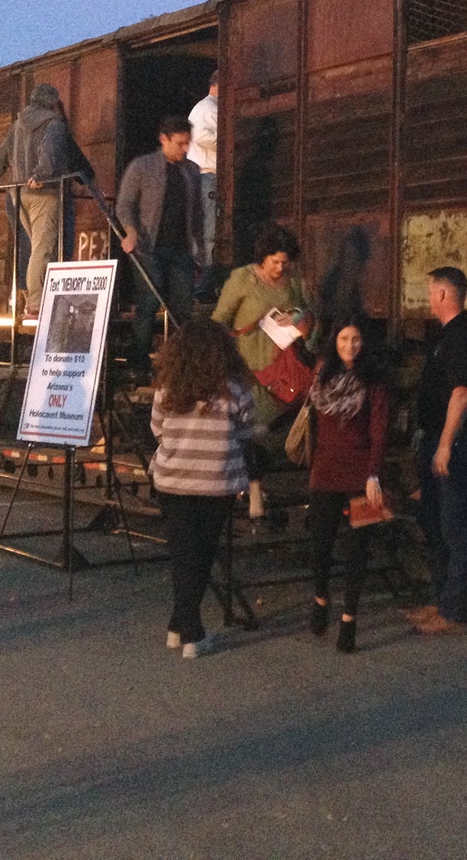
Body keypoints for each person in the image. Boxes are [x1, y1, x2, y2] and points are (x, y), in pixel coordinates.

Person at [149, 318, 256, 659]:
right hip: (216, 480)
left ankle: (179, 625)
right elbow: (246, 430)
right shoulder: (235, 390)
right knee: (202, 554)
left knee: (182, 553)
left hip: (172, 479)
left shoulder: (167, 390)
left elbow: (157, 430)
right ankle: (190, 631)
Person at [406, 266, 467, 637]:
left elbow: (461, 393)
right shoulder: (446, 336)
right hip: (435, 442)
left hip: (454, 445)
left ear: (443, 295)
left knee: (455, 527)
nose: (428, 299)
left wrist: (444, 445)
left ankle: (454, 612)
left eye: (430, 292)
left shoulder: (462, 339)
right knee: (434, 523)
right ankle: (439, 601)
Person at [211, 222, 313, 518]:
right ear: (263, 258)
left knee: (266, 434)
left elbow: (311, 322)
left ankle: (254, 485)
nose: (281, 268)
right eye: (275, 262)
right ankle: (254, 489)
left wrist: (300, 317)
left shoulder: (295, 283)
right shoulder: (242, 280)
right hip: (248, 371)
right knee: (251, 430)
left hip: (283, 375)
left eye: (285, 262)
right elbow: (219, 321)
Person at [306, 317, 389, 654]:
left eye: (355, 339)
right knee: (320, 542)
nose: (349, 346)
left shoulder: (375, 380)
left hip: (361, 471)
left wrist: (374, 474)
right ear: (334, 341)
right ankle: (320, 597)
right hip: (325, 468)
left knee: (358, 548)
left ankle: (349, 619)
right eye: (343, 338)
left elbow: (379, 429)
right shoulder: (323, 372)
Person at [0, 83, 95, 317]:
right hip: (45, 192)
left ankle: (39, 298)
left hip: (19, 194)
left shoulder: (17, 125)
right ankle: (36, 303)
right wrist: (43, 176)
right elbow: (52, 156)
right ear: (53, 102)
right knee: (45, 248)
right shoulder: (54, 125)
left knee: (37, 248)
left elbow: (0, 157)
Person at [117, 116, 205, 368]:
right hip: (149, 248)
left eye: (188, 143)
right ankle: (138, 361)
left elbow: (196, 212)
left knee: (183, 307)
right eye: (180, 143)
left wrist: (199, 249)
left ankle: (179, 365)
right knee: (147, 302)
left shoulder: (192, 171)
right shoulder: (142, 167)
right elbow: (125, 205)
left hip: (181, 250)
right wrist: (131, 232)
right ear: (163, 140)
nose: (185, 149)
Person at [188, 70, 219, 285]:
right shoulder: (208, 108)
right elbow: (202, 136)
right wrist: (226, 139)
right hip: (207, 174)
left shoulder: (205, 108)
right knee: (208, 232)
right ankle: (204, 282)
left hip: (205, 176)